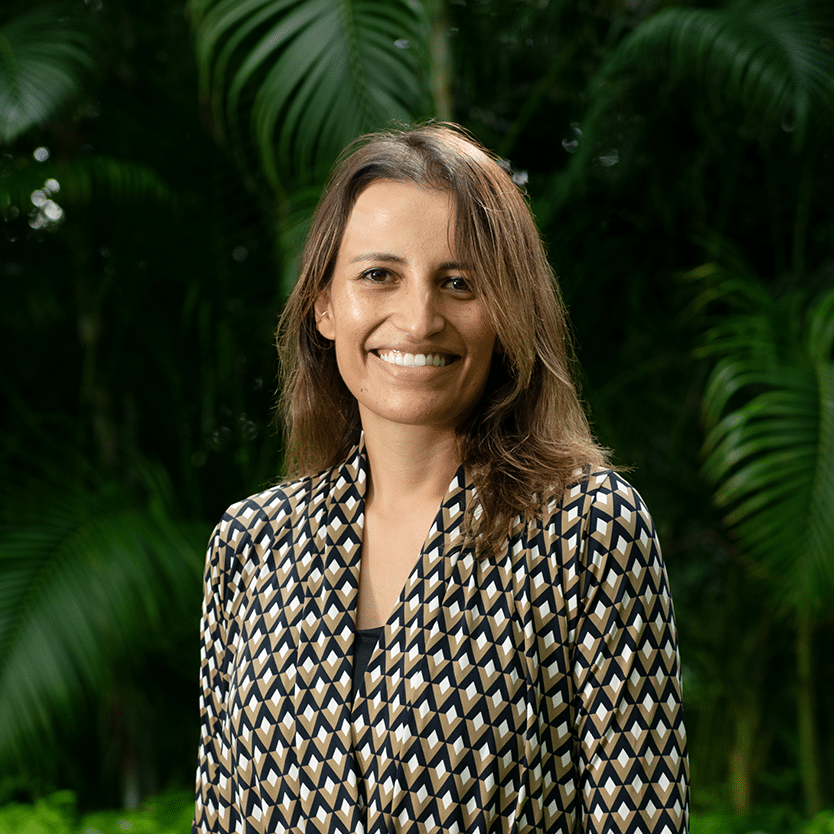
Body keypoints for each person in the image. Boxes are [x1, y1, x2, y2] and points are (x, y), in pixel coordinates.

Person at [192, 124, 689, 834]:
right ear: (324, 305)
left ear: (508, 313)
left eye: (459, 283)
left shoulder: (586, 532)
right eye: (379, 275)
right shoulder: (249, 546)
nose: (419, 319)